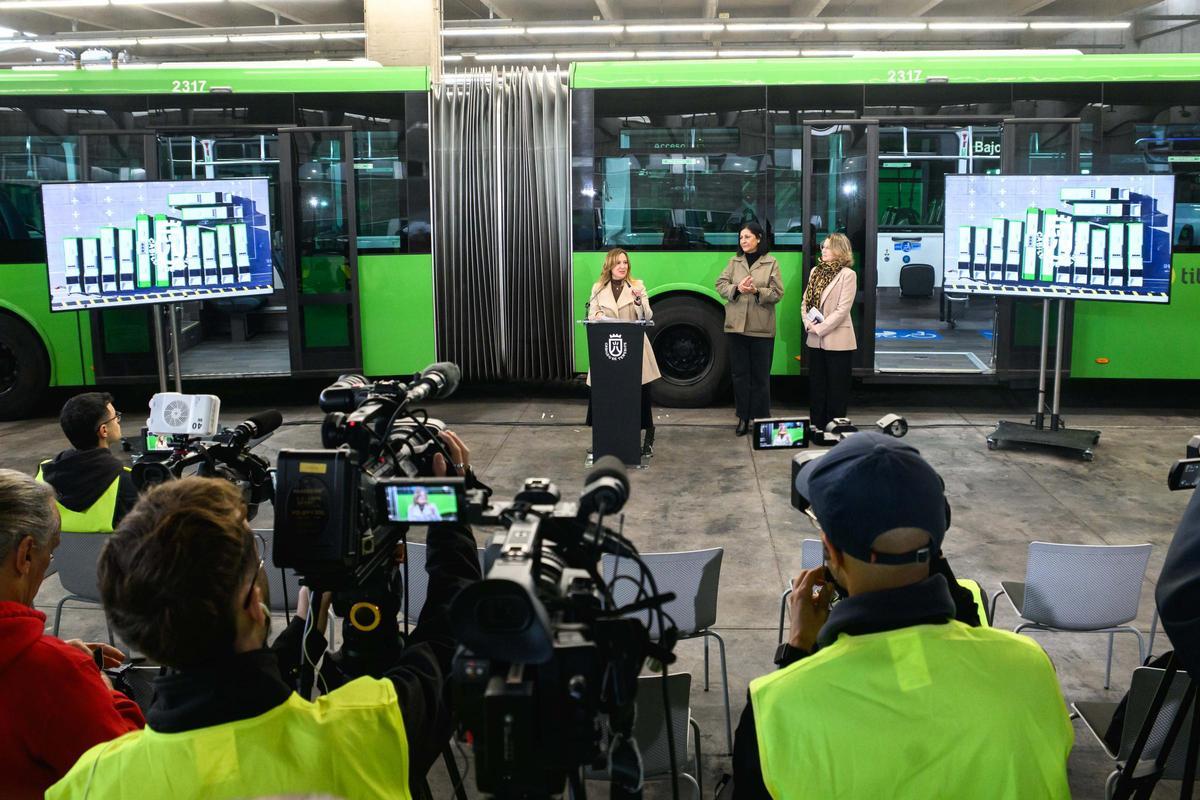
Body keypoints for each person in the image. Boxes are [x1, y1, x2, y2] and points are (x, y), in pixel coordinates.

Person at [49, 434, 483, 800]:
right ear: (254, 603)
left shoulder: (90, 781)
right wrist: (452, 518)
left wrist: (302, 636)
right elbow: (450, 638)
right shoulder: (369, 731)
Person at [732, 433, 1073, 799]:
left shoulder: (777, 705)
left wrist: (798, 649)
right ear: (938, 543)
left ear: (830, 550)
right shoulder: (1030, 666)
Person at [0, 469, 144, 799]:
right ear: (24, 555)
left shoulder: (48, 664)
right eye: (51, 550)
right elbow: (130, 775)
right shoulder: (52, 675)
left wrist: (55, 651)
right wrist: (101, 688)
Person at [587, 247, 661, 455]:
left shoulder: (637, 286)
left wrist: (638, 300)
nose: (622, 266)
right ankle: (605, 437)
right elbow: (592, 315)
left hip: (634, 349)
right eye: (618, 262)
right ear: (609, 265)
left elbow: (646, 317)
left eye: (625, 262)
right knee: (606, 394)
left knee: (638, 394)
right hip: (607, 350)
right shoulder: (598, 288)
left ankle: (646, 436)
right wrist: (598, 314)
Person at [716, 221, 784, 436]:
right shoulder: (734, 261)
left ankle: (762, 419)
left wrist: (756, 291)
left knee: (760, 377)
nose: (743, 241)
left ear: (759, 238)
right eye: (741, 237)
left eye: (747, 237)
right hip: (736, 328)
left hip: (761, 328)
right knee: (740, 375)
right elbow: (720, 285)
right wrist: (737, 289)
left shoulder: (771, 262)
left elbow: (777, 293)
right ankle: (743, 417)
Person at [36, 391, 138, 532]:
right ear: (104, 431)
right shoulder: (126, 482)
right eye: (116, 417)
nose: (118, 421)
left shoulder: (41, 476)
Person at [802, 233, 858, 440]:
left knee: (837, 389)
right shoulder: (815, 271)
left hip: (838, 341)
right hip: (815, 339)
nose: (822, 250)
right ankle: (816, 429)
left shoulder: (848, 275)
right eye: (822, 247)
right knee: (817, 387)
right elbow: (805, 303)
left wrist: (820, 327)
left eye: (827, 247)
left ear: (839, 250)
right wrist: (808, 322)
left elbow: (843, 309)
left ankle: (835, 432)